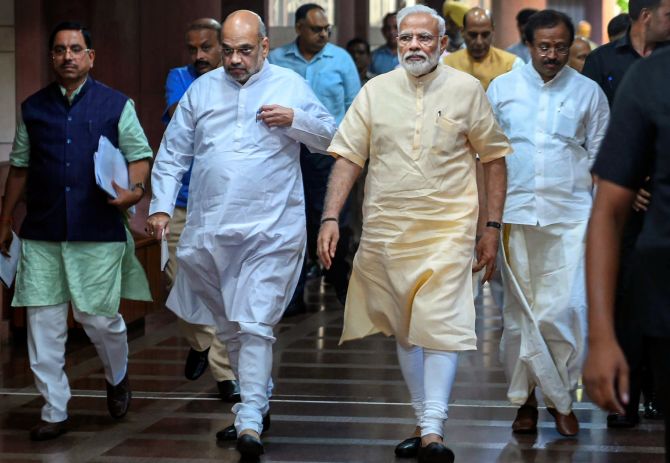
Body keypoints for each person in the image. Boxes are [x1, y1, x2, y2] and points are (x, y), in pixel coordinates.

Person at [317, 6, 511, 462]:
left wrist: (491, 227)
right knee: (405, 328)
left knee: (440, 325)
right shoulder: (374, 92)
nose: (415, 47)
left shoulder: (467, 90)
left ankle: (433, 430)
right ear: (396, 42)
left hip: (449, 230)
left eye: (425, 39)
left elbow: (494, 158)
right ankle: (425, 422)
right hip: (388, 230)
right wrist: (330, 217)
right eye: (406, 39)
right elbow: (348, 157)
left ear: (444, 44)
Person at [146, 10, 336, 460]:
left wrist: (295, 120)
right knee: (231, 326)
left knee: (253, 322)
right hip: (211, 228)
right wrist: (158, 206)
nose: (234, 60)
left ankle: (249, 417)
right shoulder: (202, 90)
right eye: (227, 50)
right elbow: (173, 153)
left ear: (265, 47)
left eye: (244, 50)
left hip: (271, 230)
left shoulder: (289, 86)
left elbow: (331, 138)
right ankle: (257, 395)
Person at [0, 21, 152, 440]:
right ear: (52, 57)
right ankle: (54, 411)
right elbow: (19, 168)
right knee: (43, 324)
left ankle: (117, 373)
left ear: (91, 57)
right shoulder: (33, 108)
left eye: (76, 49)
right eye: (60, 50)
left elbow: (139, 154)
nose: (68, 56)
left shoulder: (116, 104)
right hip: (43, 232)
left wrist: (134, 192)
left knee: (97, 319)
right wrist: (4, 218)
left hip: (96, 229)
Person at [487, 9, 610, 437]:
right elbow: (487, 157)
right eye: (544, 47)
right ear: (528, 44)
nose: (552, 55)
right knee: (520, 317)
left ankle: (562, 394)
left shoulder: (588, 93)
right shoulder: (501, 89)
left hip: (571, 216)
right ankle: (527, 403)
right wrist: (485, 221)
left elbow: (601, 157)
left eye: (560, 47)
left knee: (566, 311)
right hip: (514, 216)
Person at [582, 0, 670, 427]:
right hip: (643, 212)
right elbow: (597, 132)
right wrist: (599, 338)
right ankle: (629, 398)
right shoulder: (645, 74)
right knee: (630, 298)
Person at [161, 18, 239, 403]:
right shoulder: (181, 78)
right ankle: (203, 345)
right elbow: (179, 115)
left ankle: (225, 374)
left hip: (223, 203)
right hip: (181, 201)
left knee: (224, 289)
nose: (199, 56)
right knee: (176, 281)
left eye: (207, 48)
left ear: (222, 46)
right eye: (193, 49)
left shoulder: (242, 80)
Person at [269, 3, 360, 310]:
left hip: (329, 154)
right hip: (289, 154)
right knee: (293, 220)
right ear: (298, 28)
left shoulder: (340, 59)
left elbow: (353, 107)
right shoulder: (277, 60)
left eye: (326, 29)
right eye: (316, 29)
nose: (323, 34)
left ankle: (338, 277)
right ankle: (293, 294)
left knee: (331, 217)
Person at [443, 7, 524, 90]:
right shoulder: (445, 65)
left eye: (485, 35)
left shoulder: (512, 65)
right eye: (473, 35)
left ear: (493, 31)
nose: (479, 42)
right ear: (463, 32)